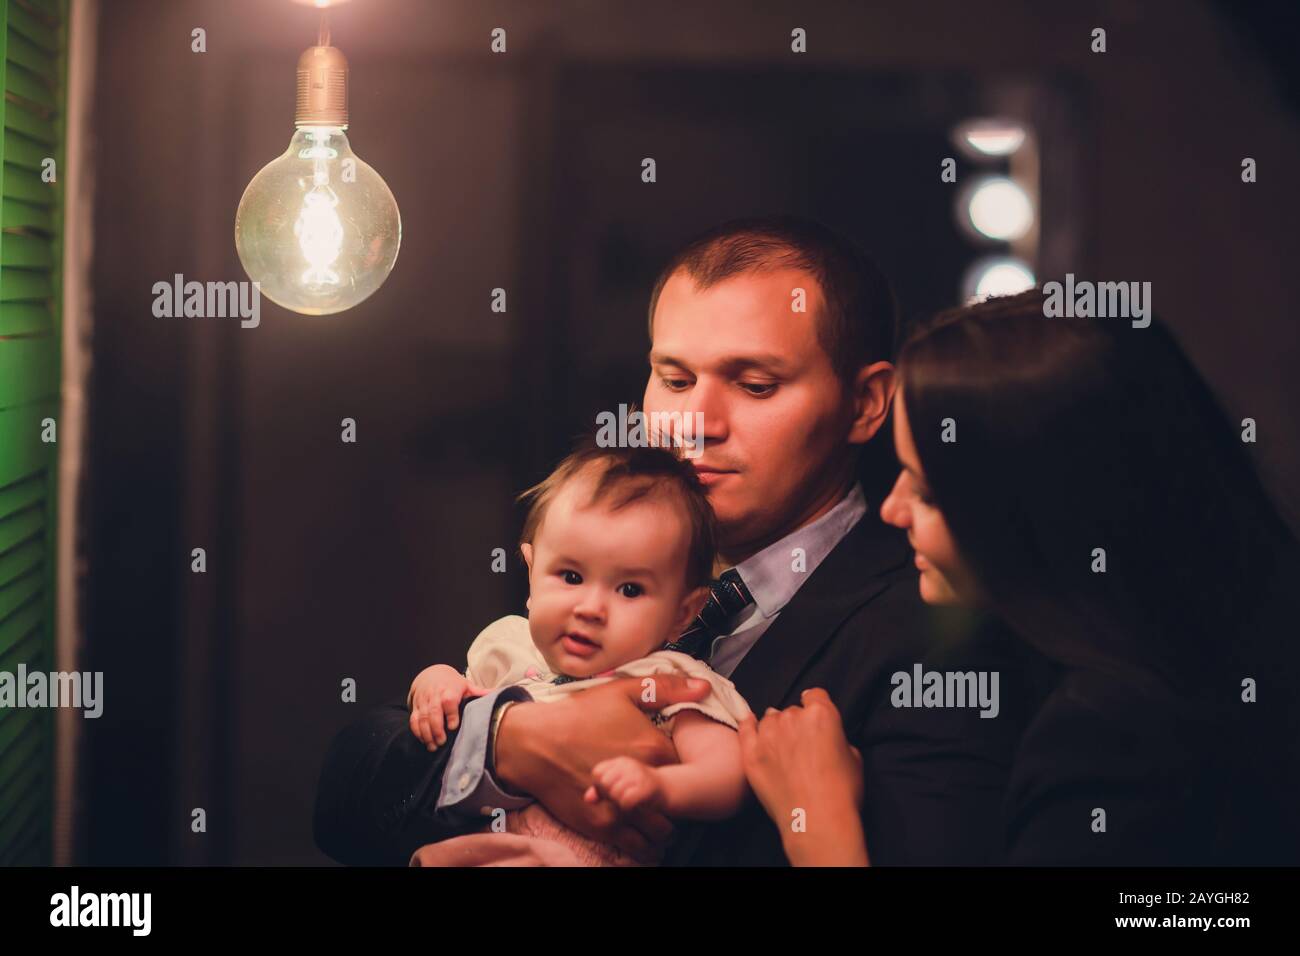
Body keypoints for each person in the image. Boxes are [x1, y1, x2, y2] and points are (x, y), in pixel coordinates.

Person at [313, 216, 1039, 866]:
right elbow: (348, 797)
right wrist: (508, 741)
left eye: (754, 385)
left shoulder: (935, 631)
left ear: (865, 402)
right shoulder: (612, 560)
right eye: (675, 377)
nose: (695, 422)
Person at [741, 290, 1300, 865]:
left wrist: (817, 822)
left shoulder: (1112, 734)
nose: (894, 509)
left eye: (928, 491)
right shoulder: (1215, 645)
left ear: (1036, 508)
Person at [405, 441, 752, 866]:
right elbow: (458, 716)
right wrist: (437, 681)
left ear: (683, 613)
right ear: (531, 570)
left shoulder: (671, 680)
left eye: (630, 589)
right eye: (571, 576)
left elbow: (726, 776)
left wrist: (662, 785)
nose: (590, 608)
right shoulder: (507, 650)